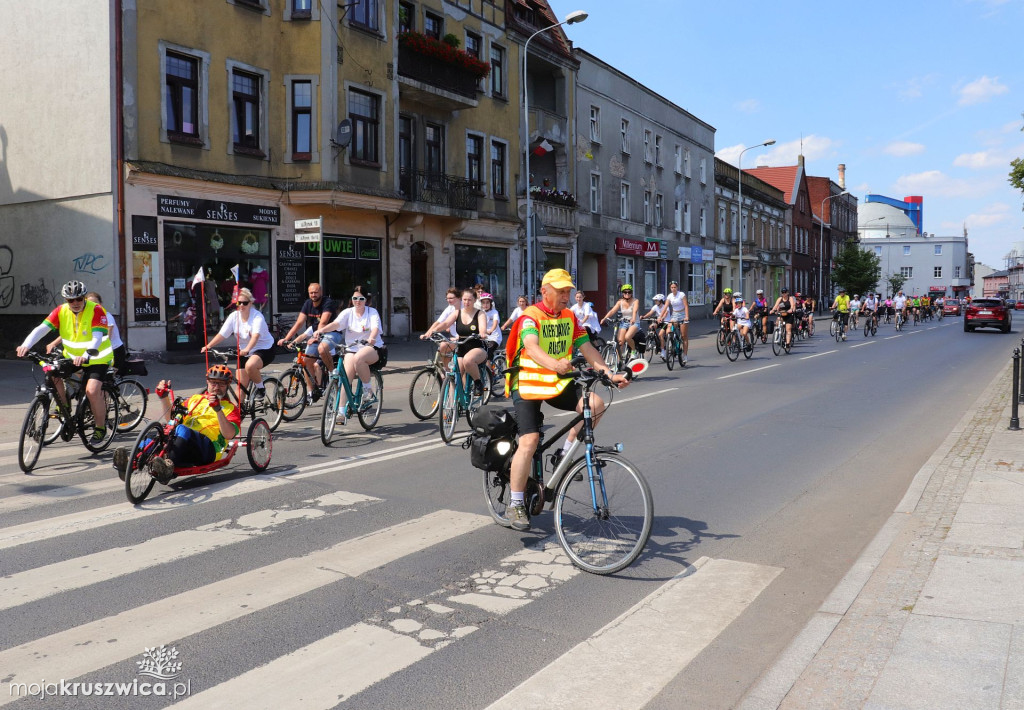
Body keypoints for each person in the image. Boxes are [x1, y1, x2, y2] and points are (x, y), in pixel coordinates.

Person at [505, 269, 629, 530]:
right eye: (560, 291)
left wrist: (609, 373)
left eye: (568, 291)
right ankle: (515, 503)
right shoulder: (531, 316)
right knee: (529, 440)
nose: (566, 295)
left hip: (556, 381)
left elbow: (588, 349)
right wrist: (554, 364)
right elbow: (531, 346)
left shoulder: (570, 316)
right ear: (544, 291)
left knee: (595, 405)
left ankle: (565, 452)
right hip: (528, 383)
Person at [16, 280, 113, 442]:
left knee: (92, 391)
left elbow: (97, 337)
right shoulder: (61, 311)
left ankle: (100, 427)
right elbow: (41, 329)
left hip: (97, 357)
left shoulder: (96, 310)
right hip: (72, 357)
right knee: (53, 375)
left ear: (84, 298)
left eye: (79, 299)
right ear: (65, 300)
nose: (75, 303)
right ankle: (65, 407)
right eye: (70, 300)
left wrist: (87, 354)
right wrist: (25, 345)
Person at [113, 365, 241, 484]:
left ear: (228, 385)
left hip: (208, 449)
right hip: (184, 443)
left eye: (221, 384)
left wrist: (218, 409)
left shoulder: (231, 408)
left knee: (181, 429)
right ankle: (130, 463)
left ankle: (168, 467)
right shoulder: (195, 399)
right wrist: (164, 397)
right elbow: (172, 419)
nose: (217, 387)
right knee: (162, 431)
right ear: (207, 381)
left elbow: (229, 434)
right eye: (213, 382)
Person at [317, 288, 385, 417]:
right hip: (352, 348)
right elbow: (336, 324)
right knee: (345, 377)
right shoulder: (347, 312)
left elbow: (375, 328)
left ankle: (368, 391)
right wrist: (322, 330)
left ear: (366, 300)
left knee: (359, 358)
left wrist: (372, 338)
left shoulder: (372, 312)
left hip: (372, 347)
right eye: (355, 299)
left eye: (361, 299)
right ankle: (341, 412)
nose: (357, 302)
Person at [202, 287, 275, 394]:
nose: (241, 305)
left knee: (250, 366)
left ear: (250, 303)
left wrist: (247, 349)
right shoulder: (234, 316)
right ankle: (240, 410)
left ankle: (260, 388)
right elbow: (222, 334)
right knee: (240, 387)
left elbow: (255, 337)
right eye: (238, 303)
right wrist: (208, 346)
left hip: (264, 349)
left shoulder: (257, 317)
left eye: (244, 303)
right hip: (244, 351)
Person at [278, 283, 337, 403]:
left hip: (331, 333)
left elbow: (324, 322)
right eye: (311, 293)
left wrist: (317, 335)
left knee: (322, 348)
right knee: (306, 362)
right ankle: (312, 392)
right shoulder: (308, 304)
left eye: (315, 292)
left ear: (320, 292)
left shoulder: (327, 302)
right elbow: (299, 323)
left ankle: (332, 373)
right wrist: (286, 339)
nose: (313, 295)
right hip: (316, 333)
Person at [420, 288, 488, 394]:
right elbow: (446, 323)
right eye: (465, 299)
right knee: (455, 376)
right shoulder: (457, 313)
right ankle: (451, 407)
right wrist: (433, 331)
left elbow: (483, 327)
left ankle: (478, 382)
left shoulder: (480, 314)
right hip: (461, 348)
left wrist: (483, 333)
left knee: (468, 360)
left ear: (475, 300)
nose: (467, 302)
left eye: (469, 300)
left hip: (476, 347)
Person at [47, 291, 127, 374]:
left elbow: (107, 337)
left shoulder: (106, 316)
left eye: (95, 303)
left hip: (113, 350)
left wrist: (89, 352)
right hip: (93, 350)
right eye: (90, 302)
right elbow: (71, 333)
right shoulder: (84, 316)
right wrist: (54, 343)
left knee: (106, 379)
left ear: (101, 303)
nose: (92, 305)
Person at [602, 284, 640, 357]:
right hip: (624, 323)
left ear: (631, 293)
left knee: (627, 337)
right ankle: (619, 363)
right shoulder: (620, 302)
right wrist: (604, 318)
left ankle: (633, 351)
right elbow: (612, 311)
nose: (627, 294)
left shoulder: (635, 301)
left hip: (634, 322)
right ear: (622, 293)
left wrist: (633, 318)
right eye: (625, 292)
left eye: (629, 292)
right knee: (620, 342)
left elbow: (635, 311)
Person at [660, 280, 690, 362]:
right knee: (668, 330)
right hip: (675, 315)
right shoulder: (669, 296)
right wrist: (660, 317)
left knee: (684, 336)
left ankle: (685, 355)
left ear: (677, 287)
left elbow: (686, 305)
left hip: (683, 314)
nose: (673, 289)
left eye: (674, 287)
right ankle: (671, 342)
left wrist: (687, 316)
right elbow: (665, 306)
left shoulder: (681, 295)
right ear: (670, 288)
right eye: (672, 287)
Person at [479, 292, 502, 359]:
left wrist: (491, 330)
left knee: (488, 351)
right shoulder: (480, 312)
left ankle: (489, 369)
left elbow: (495, 323)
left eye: (487, 302)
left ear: (490, 303)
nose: (485, 305)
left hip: (494, 337)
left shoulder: (494, 312)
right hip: (484, 337)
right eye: (483, 303)